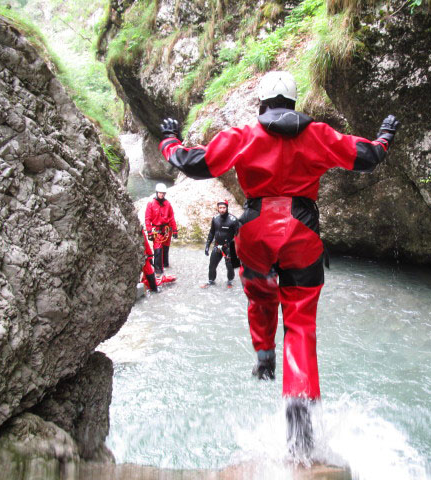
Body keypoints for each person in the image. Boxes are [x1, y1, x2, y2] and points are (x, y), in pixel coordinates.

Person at [157, 71, 399, 457]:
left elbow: (194, 164)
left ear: (262, 103)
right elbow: (367, 157)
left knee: (259, 294)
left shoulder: (242, 136)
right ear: (293, 102)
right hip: (302, 232)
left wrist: (168, 139)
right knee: (300, 322)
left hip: (254, 231)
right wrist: (385, 136)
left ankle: (264, 355)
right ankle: (300, 433)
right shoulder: (318, 134)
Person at [202, 200, 240, 288]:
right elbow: (212, 232)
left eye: (224, 208)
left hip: (229, 246)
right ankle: (211, 280)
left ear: (227, 208)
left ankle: (230, 281)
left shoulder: (233, 220)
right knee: (212, 264)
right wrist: (207, 245)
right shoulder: (215, 218)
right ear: (218, 208)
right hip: (217, 245)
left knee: (230, 266)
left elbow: (239, 235)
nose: (222, 210)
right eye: (220, 208)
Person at [145, 183, 178, 276]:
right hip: (157, 230)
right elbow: (147, 219)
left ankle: (165, 263)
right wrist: (149, 232)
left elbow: (171, 217)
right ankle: (158, 270)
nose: (162, 195)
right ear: (157, 193)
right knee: (158, 249)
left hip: (167, 230)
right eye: (160, 193)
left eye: (163, 193)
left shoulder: (167, 204)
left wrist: (175, 230)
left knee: (166, 248)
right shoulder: (151, 204)